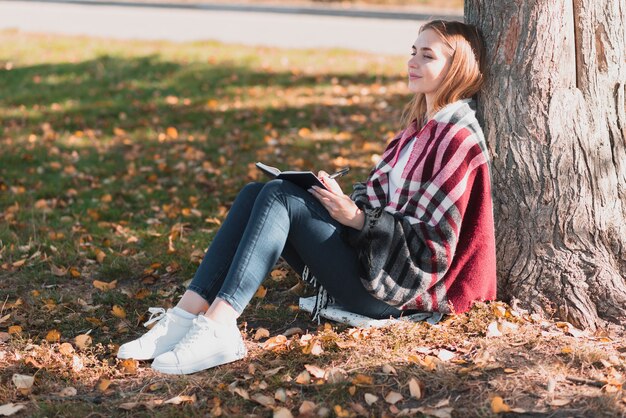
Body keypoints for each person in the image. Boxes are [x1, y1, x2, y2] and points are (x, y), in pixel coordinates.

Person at [117, 20, 497, 375]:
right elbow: (381, 200)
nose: (412, 61)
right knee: (257, 193)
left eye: (427, 55)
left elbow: (433, 249)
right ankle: (185, 317)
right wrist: (341, 200)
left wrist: (358, 219)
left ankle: (219, 327)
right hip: (372, 261)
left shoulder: (456, 140)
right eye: (413, 50)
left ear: (458, 67)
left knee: (281, 197)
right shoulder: (414, 132)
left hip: (396, 292)